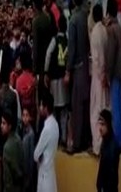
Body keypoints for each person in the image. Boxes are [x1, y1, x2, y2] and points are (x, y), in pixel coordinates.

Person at [65, 0, 91, 153]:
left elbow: (72, 48)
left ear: (73, 0)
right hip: (86, 65)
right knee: (86, 104)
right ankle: (86, 139)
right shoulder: (85, 15)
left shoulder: (74, 19)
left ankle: (77, 144)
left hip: (78, 68)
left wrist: (68, 71)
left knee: (77, 107)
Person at [44, 14, 69, 146]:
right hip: (64, 78)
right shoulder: (67, 41)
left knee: (54, 110)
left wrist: (46, 72)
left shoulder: (54, 40)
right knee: (64, 110)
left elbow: (48, 55)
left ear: (58, 26)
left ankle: (55, 137)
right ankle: (64, 138)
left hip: (54, 79)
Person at [105, 0, 121, 149]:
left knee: (116, 108)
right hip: (120, 70)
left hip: (114, 73)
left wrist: (107, 74)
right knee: (119, 106)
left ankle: (118, 141)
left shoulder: (111, 30)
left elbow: (110, 55)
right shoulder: (120, 28)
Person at [89, 4, 109, 156]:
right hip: (104, 76)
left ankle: (98, 145)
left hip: (98, 77)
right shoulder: (103, 30)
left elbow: (97, 58)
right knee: (103, 107)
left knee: (96, 110)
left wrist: (101, 75)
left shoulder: (95, 32)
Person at [34, 94, 59, 192]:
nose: (40, 108)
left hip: (44, 174)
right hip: (51, 171)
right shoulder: (55, 124)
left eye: (41, 105)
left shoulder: (47, 129)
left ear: (46, 108)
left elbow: (36, 154)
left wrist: (38, 156)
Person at [96, 109, 120, 192]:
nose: (100, 128)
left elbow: (111, 175)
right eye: (99, 124)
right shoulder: (105, 141)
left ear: (108, 125)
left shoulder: (112, 146)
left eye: (103, 124)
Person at [1, 110, 25, 192]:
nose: (1, 126)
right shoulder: (18, 139)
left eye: (4, 123)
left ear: (10, 126)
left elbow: (8, 177)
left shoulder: (7, 147)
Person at [21, 108, 36, 192]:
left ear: (30, 117)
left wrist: (30, 174)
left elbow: (31, 155)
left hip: (28, 169)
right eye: (23, 115)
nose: (25, 118)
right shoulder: (23, 130)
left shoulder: (31, 134)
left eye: (27, 115)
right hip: (23, 168)